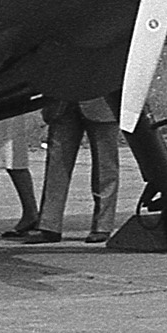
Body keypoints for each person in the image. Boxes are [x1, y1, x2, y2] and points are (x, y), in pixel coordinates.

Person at [22, 97, 120, 244]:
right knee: (56, 164)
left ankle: (102, 226)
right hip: (63, 103)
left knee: (105, 166)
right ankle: (49, 225)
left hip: (103, 102)